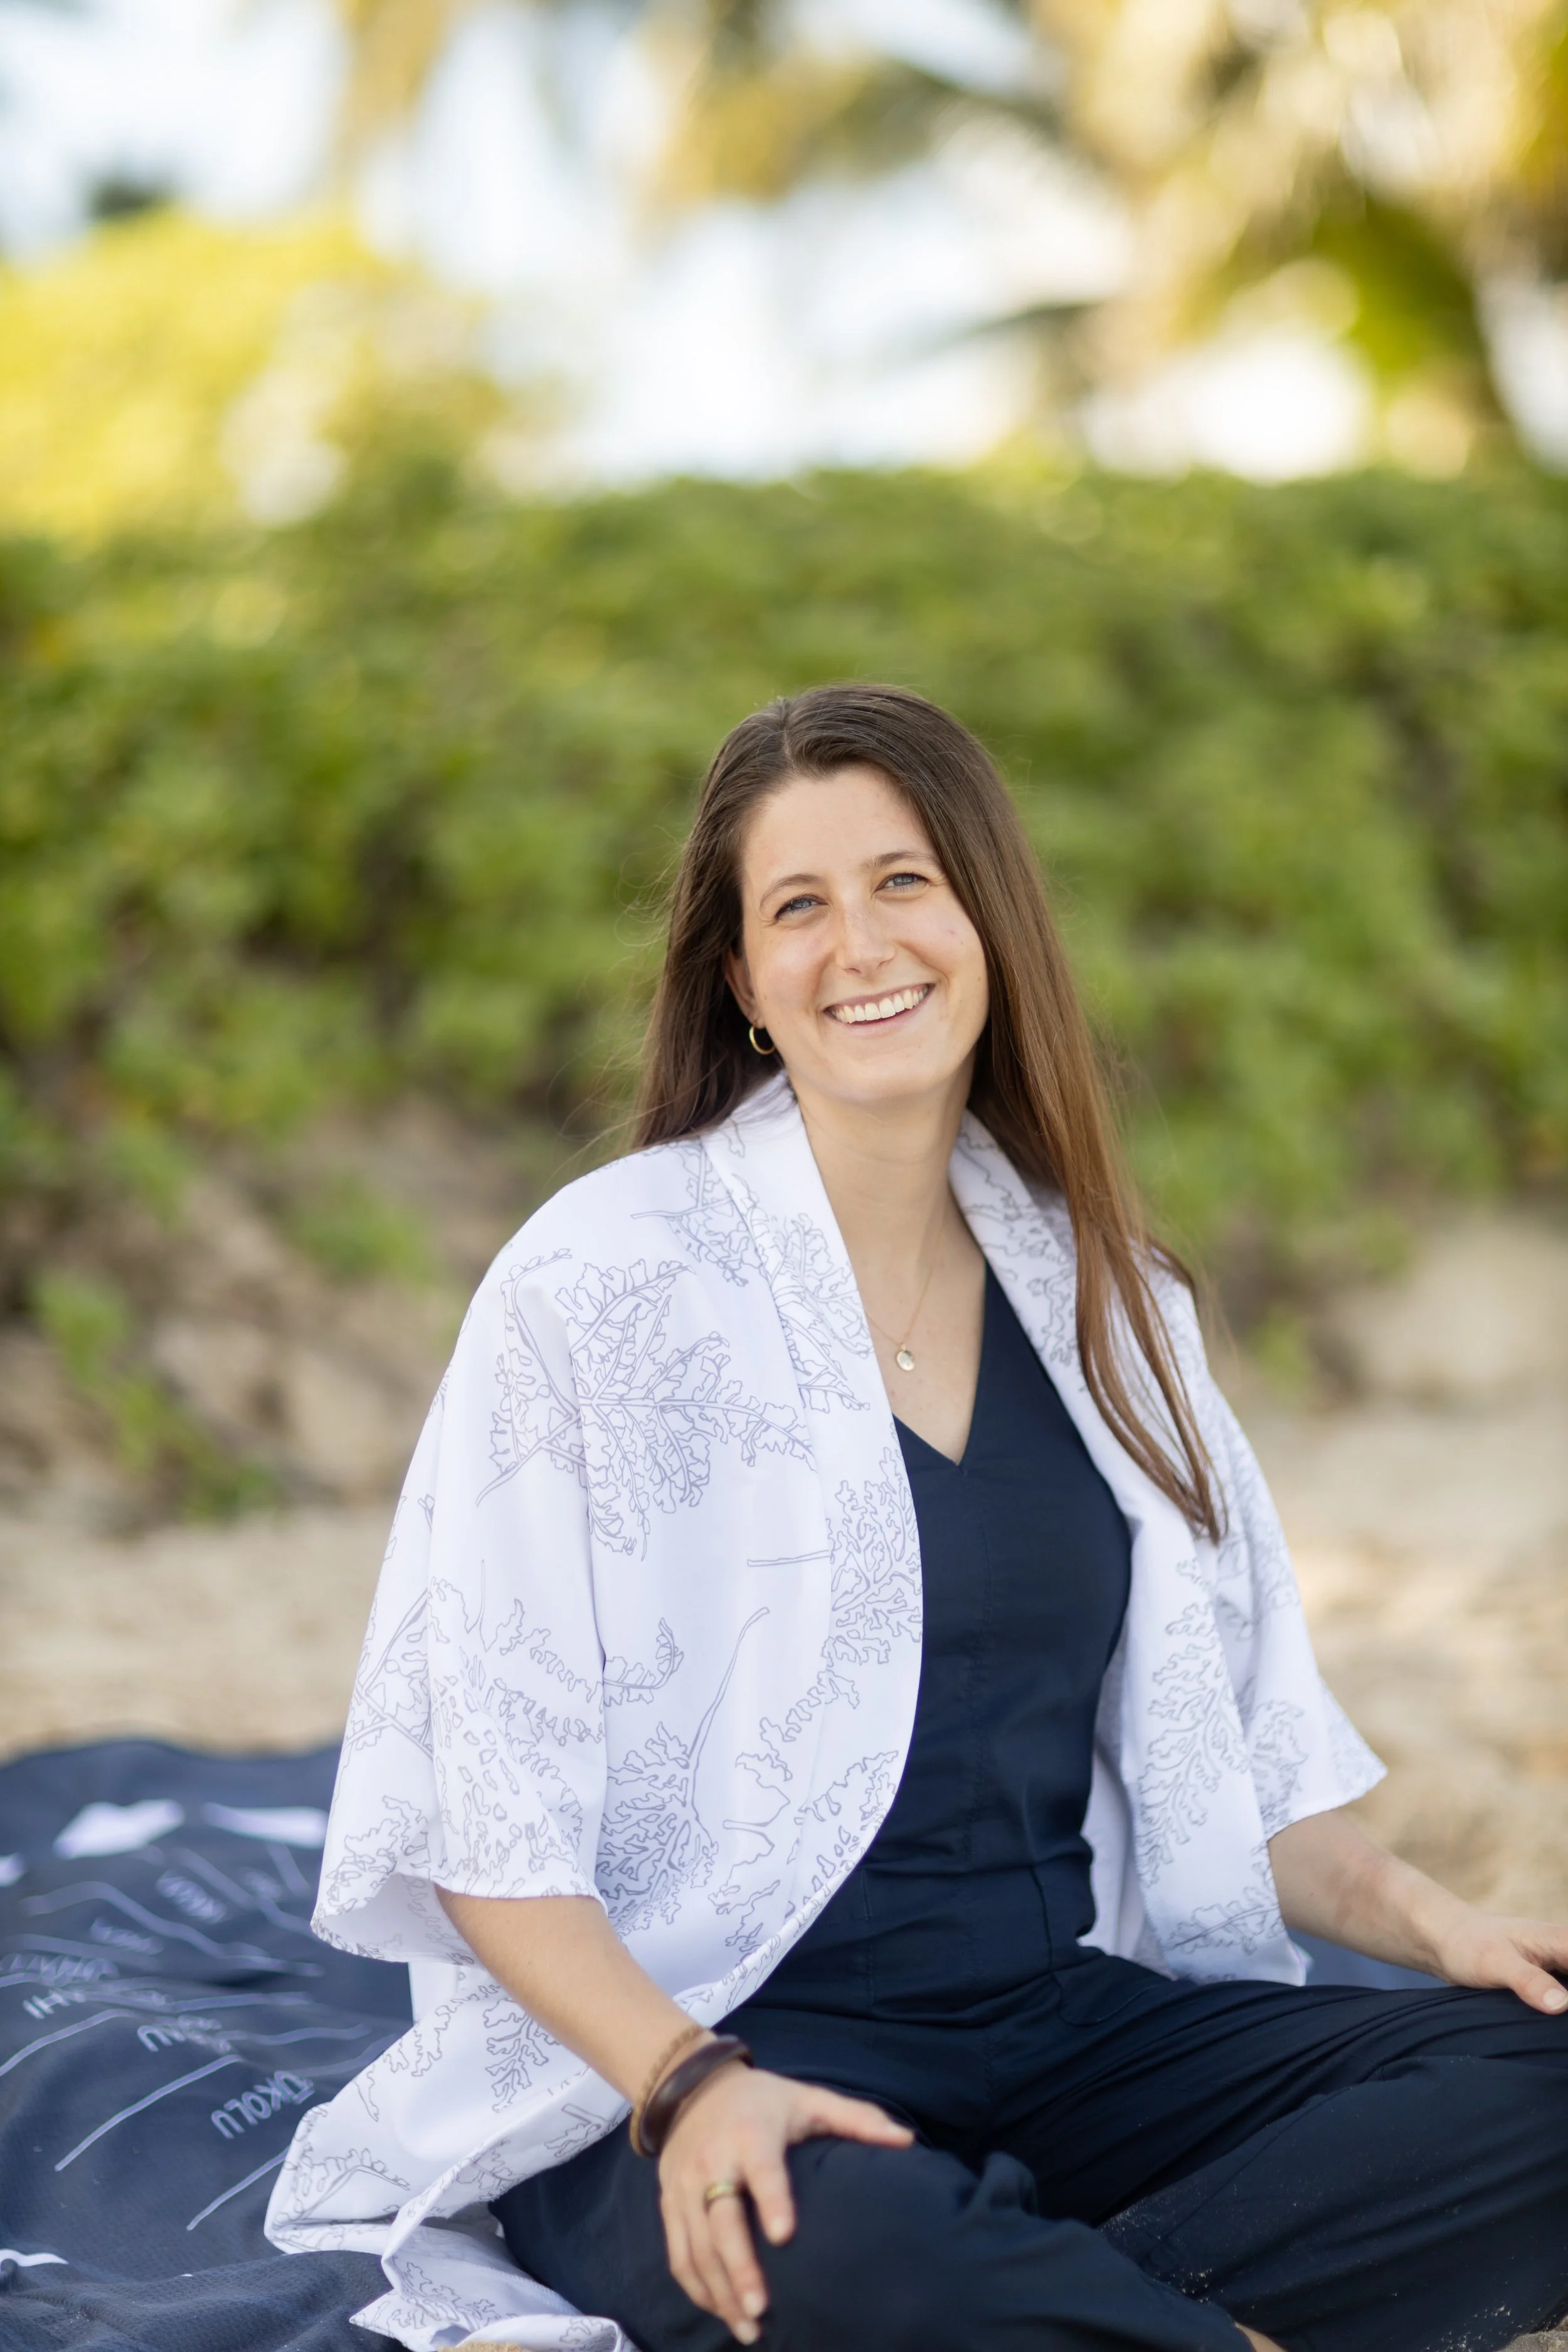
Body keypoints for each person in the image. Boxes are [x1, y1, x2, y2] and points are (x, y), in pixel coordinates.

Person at [268, 685, 1568, 2352]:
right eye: (794, 906)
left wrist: (1434, 1922)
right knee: (856, 2253)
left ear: (985, 918)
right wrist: (687, 2082)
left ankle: (1053, 2303)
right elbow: (483, 1828)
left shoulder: (1109, 1300)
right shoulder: (599, 1284)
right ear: (741, 982)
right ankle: (1060, 2299)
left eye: (902, 882)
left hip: (1047, 2030)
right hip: (699, 2057)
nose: (858, 943)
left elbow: (1241, 1770)